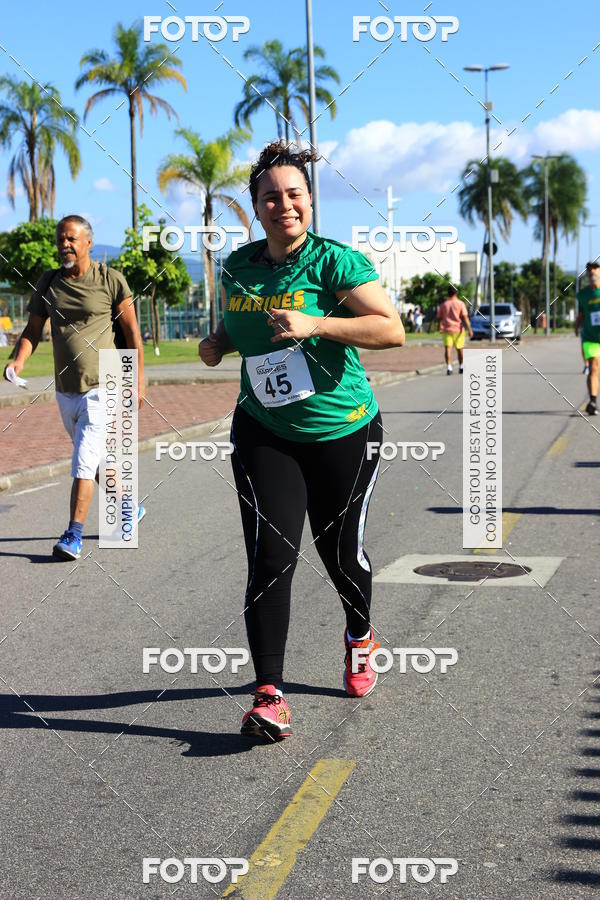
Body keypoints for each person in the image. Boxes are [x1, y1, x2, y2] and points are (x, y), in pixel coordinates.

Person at [199, 141, 405, 740]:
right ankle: (270, 694)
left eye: (294, 195)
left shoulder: (334, 264)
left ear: (309, 201)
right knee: (271, 555)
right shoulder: (237, 265)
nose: (283, 205)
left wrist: (317, 323)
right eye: (271, 197)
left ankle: (360, 635)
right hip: (264, 429)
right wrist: (218, 342)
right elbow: (245, 320)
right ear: (256, 207)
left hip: (344, 430)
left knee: (341, 557)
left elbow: (388, 329)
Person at [3, 215, 146, 558]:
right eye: (60, 240)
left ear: (88, 242)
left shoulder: (111, 280)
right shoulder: (48, 282)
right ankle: (129, 505)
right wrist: (17, 361)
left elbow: (132, 334)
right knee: (94, 458)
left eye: (70, 239)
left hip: (105, 383)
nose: (64, 245)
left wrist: (138, 381)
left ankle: (73, 534)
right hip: (66, 387)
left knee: (83, 459)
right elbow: (32, 331)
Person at [575, 261, 600, 415]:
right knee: (593, 368)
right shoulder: (582, 295)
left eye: (595, 269)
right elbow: (581, 314)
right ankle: (593, 401)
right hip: (591, 337)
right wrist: (576, 326)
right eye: (589, 270)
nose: (592, 273)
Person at [437, 286, 473, 374]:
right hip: (458, 330)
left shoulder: (443, 304)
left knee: (448, 349)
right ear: (456, 293)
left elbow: (439, 318)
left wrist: (440, 326)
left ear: (448, 293)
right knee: (460, 348)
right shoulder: (460, 304)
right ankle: (461, 366)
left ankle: (449, 367)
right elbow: (465, 317)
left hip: (447, 330)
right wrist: (470, 330)